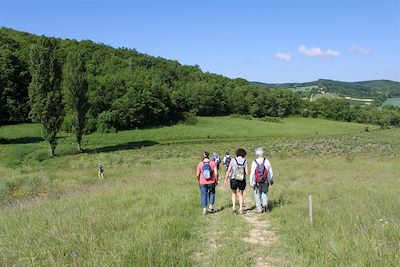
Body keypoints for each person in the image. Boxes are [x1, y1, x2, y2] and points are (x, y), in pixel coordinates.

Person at [224, 148, 249, 214]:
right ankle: (241, 208)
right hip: (242, 179)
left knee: (234, 193)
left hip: (233, 179)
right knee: (241, 194)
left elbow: (228, 170)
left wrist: (225, 179)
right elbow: (247, 173)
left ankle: (234, 206)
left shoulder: (233, 160)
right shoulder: (245, 161)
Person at [250, 147, 274, 213]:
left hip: (256, 182)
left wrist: (251, 182)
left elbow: (252, 173)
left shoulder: (254, 162)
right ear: (262, 153)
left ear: (256, 154)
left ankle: (259, 209)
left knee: (257, 195)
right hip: (265, 180)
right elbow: (270, 172)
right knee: (264, 193)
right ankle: (265, 204)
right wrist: (270, 179)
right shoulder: (266, 161)